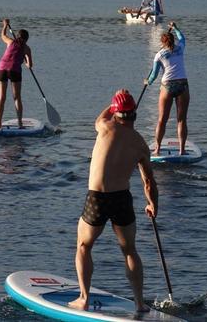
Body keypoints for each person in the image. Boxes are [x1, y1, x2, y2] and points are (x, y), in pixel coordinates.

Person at [68, 90, 158, 312]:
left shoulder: (105, 126)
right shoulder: (141, 145)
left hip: (97, 198)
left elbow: (99, 118)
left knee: (84, 246)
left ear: (115, 113)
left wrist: (114, 103)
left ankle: (84, 298)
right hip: (122, 199)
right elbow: (148, 182)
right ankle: (139, 303)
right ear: (134, 115)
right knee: (129, 250)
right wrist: (153, 204)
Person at [145, 21, 189, 156]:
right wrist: (175, 28)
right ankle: (182, 150)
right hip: (183, 84)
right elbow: (182, 38)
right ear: (172, 40)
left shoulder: (159, 55)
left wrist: (148, 82)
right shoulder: (180, 48)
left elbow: (154, 74)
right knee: (181, 120)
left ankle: (157, 149)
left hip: (167, 86)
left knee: (162, 120)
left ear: (162, 42)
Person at [0, 19, 32, 129]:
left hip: (1, 69)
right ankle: (20, 124)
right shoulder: (27, 48)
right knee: (17, 98)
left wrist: (5, 25)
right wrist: (25, 59)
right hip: (14, 71)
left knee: (1, 97)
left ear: (18, 36)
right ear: (26, 39)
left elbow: (2, 35)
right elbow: (30, 65)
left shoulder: (10, 41)